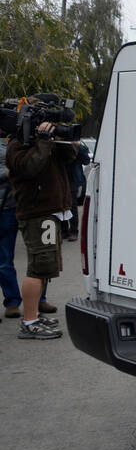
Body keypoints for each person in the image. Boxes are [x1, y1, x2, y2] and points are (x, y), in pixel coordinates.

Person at [4, 118, 77, 338]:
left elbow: (69, 158)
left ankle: (33, 315)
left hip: (50, 211)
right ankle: (29, 322)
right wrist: (44, 142)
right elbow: (30, 167)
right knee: (37, 269)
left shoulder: (42, 142)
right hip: (37, 213)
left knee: (44, 269)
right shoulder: (18, 145)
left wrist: (65, 139)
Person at [0, 135, 54, 319]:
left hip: (30, 206)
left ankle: (39, 299)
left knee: (40, 257)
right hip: (5, 208)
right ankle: (12, 301)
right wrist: (8, 172)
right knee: (5, 259)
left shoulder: (31, 140)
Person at [63, 140, 91, 239]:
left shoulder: (76, 146)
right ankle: (64, 230)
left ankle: (74, 231)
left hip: (72, 180)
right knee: (60, 206)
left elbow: (86, 160)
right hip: (60, 178)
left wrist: (78, 146)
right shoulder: (59, 145)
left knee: (72, 206)